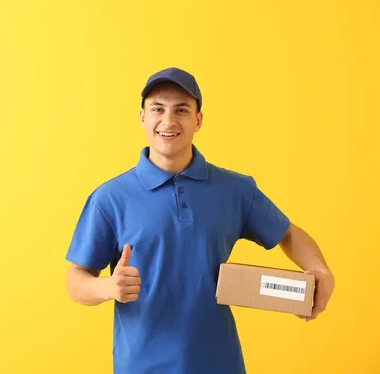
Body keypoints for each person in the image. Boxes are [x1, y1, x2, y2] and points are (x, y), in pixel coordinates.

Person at [64, 67, 335, 374]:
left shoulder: (235, 189)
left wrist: (320, 269)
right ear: (142, 117)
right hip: (141, 366)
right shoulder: (110, 198)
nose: (168, 121)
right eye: (158, 109)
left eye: (181, 110)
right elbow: (76, 281)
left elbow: (288, 234)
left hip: (221, 364)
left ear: (198, 120)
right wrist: (108, 287)